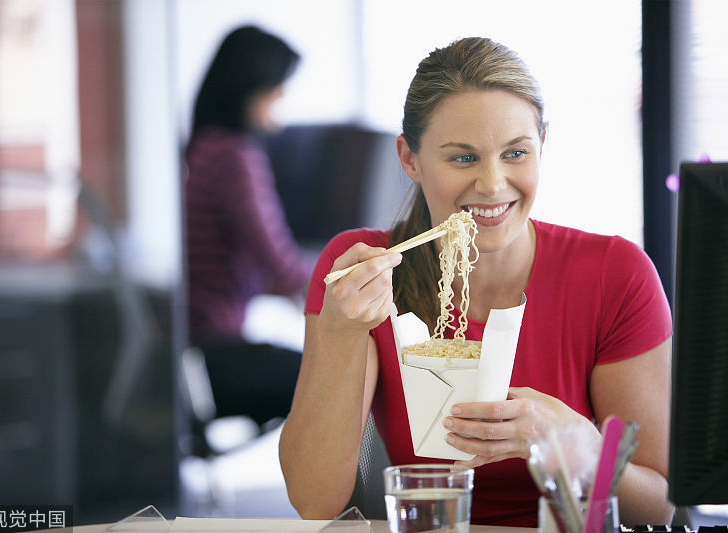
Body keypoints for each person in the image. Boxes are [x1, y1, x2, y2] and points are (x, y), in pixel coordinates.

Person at [279, 37, 674, 526]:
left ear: (542, 146)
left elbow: (659, 503)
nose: (492, 184)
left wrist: (577, 447)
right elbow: (313, 500)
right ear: (410, 159)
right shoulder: (360, 270)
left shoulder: (616, 274)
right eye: (463, 158)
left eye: (515, 153)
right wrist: (341, 331)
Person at [184, 26, 313, 426]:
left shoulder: (203, 147)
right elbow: (281, 265)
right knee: (342, 380)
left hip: (195, 349)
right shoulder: (233, 157)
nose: (282, 98)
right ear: (252, 87)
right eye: (277, 88)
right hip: (215, 352)